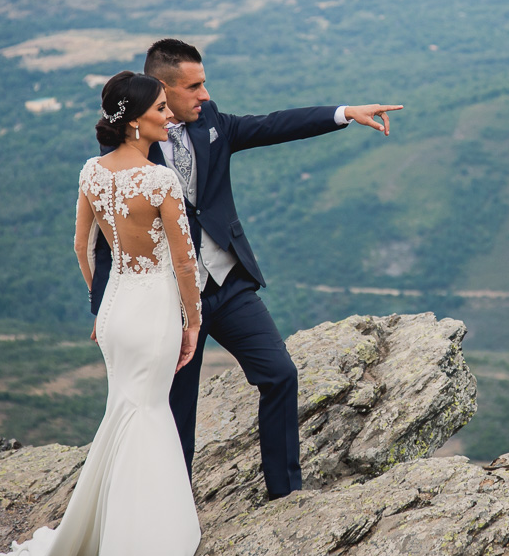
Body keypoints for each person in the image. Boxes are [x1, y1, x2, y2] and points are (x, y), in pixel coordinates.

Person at [90, 38, 401, 499]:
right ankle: (174, 511)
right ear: (161, 89)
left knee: (280, 374)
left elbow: (272, 125)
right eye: (194, 86)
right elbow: (103, 242)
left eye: (204, 84)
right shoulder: (126, 155)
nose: (205, 95)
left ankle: (285, 494)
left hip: (228, 283)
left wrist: (344, 112)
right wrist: (103, 307)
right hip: (168, 300)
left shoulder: (211, 123)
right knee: (177, 411)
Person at [0, 72, 202, 556]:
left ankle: (112, 532)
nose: (169, 115)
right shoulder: (160, 183)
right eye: (162, 108)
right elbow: (184, 263)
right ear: (135, 120)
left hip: (116, 310)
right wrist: (193, 320)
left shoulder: (93, 172)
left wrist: (103, 298)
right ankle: (144, 553)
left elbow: (80, 246)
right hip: (156, 309)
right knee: (149, 414)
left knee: (126, 411)